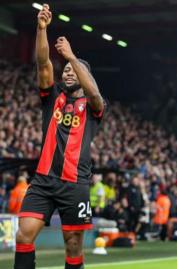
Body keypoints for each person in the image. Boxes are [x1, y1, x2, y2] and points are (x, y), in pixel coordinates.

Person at [15, 4, 105, 269]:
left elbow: (95, 95)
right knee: (23, 235)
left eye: (72, 69)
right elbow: (43, 63)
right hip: (43, 181)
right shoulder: (52, 98)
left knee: (74, 246)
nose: (66, 71)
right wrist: (41, 29)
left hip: (75, 183)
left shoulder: (93, 107)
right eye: (65, 68)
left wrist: (73, 57)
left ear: (83, 75)